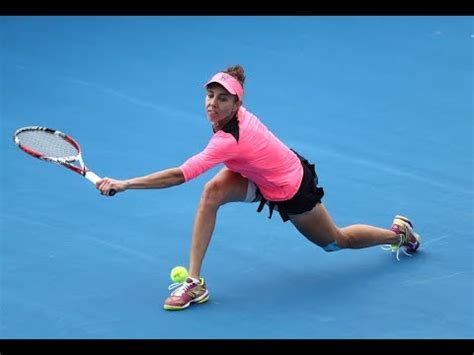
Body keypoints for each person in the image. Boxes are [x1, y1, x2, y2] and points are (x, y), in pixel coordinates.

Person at [96, 65, 421, 311]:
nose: (213, 104)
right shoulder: (228, 122)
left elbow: (180, 175)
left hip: (291, 188)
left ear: (237, 104)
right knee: (212, 193)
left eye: (223, 99)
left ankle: (398, 233)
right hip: (260, 174)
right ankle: (195, 283)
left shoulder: (229, 139)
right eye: (210, 96)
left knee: (335, 243)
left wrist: (125, 184)